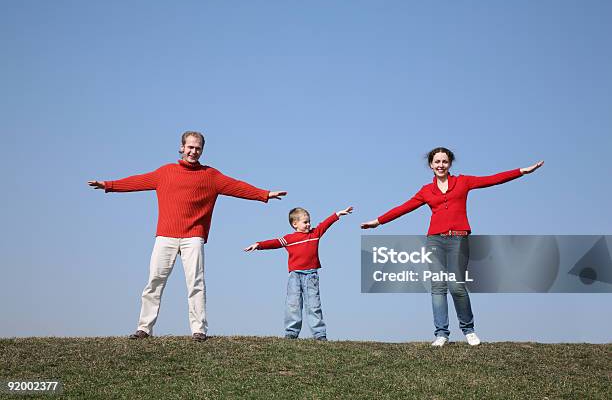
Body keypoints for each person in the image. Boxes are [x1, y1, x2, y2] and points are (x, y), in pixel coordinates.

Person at [88, 131, 286, 341]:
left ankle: (199, 330)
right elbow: (138, 181)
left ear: (202, 150)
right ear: (182, 148)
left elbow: (236, 186)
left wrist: (264, 194)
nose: (193, 151)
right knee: (155, 281)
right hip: (165, 236)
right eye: (190, 147)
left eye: (198, 148)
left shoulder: (211, 176)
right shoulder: (165, 172)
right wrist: (109, 185)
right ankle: (144, 328)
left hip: (194, 237)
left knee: (196, 283)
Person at [361, 147, 543, 346]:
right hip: (435, 241)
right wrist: (378, 221)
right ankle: (441, 333)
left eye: (444, 162)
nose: (441, 165)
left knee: (456, 285)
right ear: (431, 165)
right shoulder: (426, 191)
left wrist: (520, 172)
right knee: (438, 286)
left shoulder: (463, 182)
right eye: (437, 162)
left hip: (459, 239)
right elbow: (403, 208)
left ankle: (468, 329)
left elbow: (492, 179)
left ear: (450, 164)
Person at [244, 206, 353, 341]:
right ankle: (291, 333)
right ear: (295, 224)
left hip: (311, 275)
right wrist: (258, 244)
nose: (308, 224)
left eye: (309, 222)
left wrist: (337, 215)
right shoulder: (289, 239)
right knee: (293, 304)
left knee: (314, 305)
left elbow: (325, 224)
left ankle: (320, 334)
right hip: (295, 276)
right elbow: (275, 242)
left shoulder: (315, 234)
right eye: (305, 222)